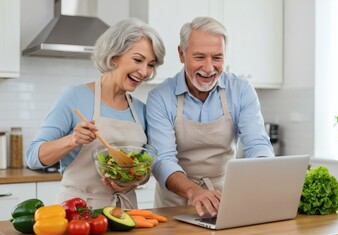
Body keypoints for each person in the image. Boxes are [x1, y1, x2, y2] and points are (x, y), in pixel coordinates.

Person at [26, 18, 165, 209]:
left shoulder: (142, 110)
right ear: (113, 56)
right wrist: (72, 140)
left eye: (151, 64)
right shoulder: (74, 97)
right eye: (138, 60)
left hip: (125, 212)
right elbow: (33, 157)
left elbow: (145, 170)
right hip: (77, 211)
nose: (144, 71)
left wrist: (133, 182)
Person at [146, 16, 274, 217]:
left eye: (217, 57)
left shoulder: (241, 90)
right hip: (173, 204)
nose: (208, 68)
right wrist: (194, 191)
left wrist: (263, 171)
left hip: (224, 200)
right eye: (199, 57)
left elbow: (257, 143)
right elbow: (162, 159)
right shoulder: (160, 97)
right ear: (181, 53)